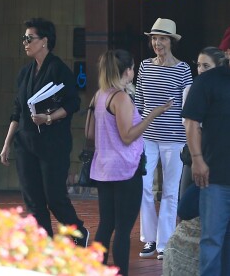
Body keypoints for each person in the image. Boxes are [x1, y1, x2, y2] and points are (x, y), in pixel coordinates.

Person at [0, 18, 89, 246]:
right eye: (24, 38)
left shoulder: (59, 69)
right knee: (32, 199)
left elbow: (72, 104)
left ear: (45, 41)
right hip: (26, 142)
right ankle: (44, 244)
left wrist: (48, 117)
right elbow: (16, 110)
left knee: (54, 197)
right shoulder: (24, 73)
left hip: (53, 143)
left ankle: (78, 231)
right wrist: (7, 143)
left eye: (30, 38)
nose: (25, 43)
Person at [86, 49, 172, 276]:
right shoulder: (120, 97)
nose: (134, 71)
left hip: (104, 169)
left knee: (106, 225)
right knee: (123, 230)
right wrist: (152, 115)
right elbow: (127, 135)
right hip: (125, 169)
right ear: (126, 72)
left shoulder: (100, 95)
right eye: (132, 68)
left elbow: (89, 133)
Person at [135, 18, 193, 260]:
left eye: (162, 38)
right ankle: (149, 239)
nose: (157, 43)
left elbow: (187, 105)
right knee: (144, 188)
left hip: (174, 138)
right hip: (147, 136)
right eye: (154, 38)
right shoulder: (144, 66)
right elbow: (138, 101)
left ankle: (164, 242)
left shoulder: (183, 69)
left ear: (171, 42)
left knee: (170, 191)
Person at [179, 47, 229, 200]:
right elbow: (189, 123)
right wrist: (197, 158)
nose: (200, 70)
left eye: (206, 66)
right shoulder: (191, 89)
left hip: (216, 154)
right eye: (199, 65)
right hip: (196, 151)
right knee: (185, 202)